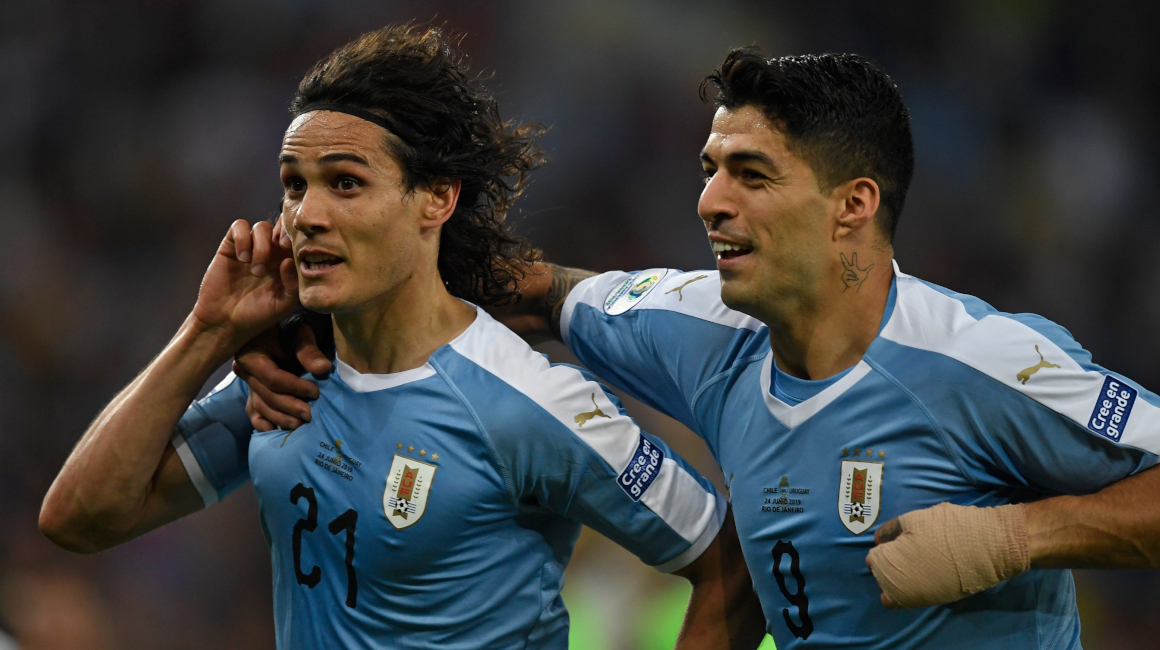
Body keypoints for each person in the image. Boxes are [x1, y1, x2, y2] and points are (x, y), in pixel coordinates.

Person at [243, 48, 1160, 649]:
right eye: (709, 170)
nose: (711, 202)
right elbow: (519, 287)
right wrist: (308, 326)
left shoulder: (980, 364)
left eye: (751, 176)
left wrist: (1018, 536)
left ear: (853, 205)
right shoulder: (689, 327)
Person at [38, 26, 767, 650]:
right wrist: (208, 331)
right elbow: (79, 519)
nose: (307, 215)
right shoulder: (286, 377)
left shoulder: (525, 401)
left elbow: (727, 564)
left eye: (346, 183)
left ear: (436, 199)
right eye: (294, 184)